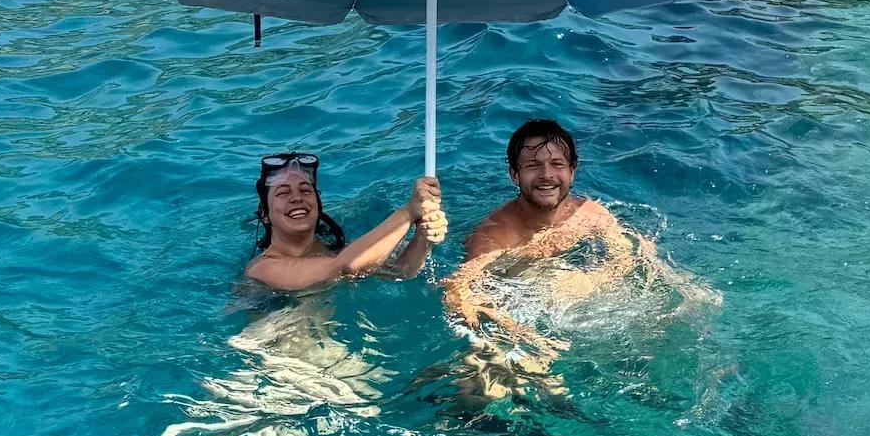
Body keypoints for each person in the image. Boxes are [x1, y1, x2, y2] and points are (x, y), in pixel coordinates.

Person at [442, 117, 716, 380]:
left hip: (579, 301)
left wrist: (680, 285)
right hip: (522, 309)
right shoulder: (495, 236)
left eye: (557, 164)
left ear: (572, 170)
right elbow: (457, 292)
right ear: (515, 174)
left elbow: (631, 254)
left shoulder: (591, 215)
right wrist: (520, 334)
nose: (547, 175)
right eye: (533, 166)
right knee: (501, 375)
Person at [243, 151, 446, 292]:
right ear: (264, 213)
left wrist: (423, 238)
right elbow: (344, 267)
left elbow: (399, 272)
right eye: (283, 193)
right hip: (274, 346)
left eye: (306, 190)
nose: (297, 198)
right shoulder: (262, 269)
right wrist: (410, 211)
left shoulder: (337, 252)